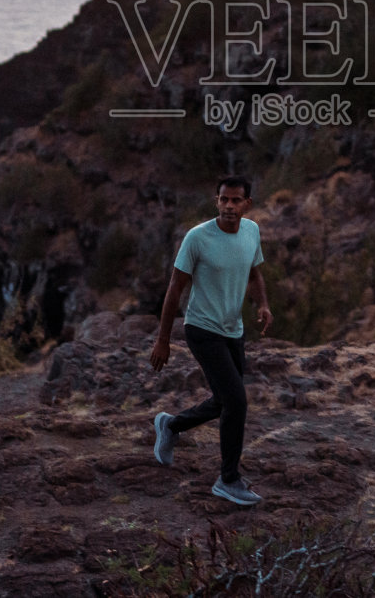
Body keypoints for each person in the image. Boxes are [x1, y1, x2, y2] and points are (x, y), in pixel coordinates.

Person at [149, 174, 272, 506]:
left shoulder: (251, 231)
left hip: (234, 330)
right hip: (202, 330)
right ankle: (228, 480)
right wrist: (163, 340)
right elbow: (175, 288)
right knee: (237, 401)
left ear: (248, 204)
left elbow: (254, 272)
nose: (229, 206)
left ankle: (171, 425)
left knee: (223, 400)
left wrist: (262, 304)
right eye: (223, 200)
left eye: (236, 200)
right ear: (216, 201)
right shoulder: (197, 238)